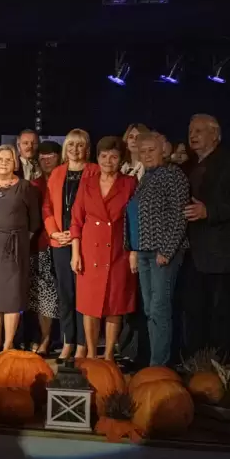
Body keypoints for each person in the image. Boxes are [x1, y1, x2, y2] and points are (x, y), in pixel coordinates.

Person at [182, 114, 230, 356]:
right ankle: (197, 359)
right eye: (190, 131)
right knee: (195, 310)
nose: (193, 135)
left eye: (199, 131)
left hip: (223, 253)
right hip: (194, 252)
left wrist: (209, 211)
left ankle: (219, 362)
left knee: (221, 312)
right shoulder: (189, 165)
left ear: (215, 135)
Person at [70, 136, 137, 360]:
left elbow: (135, 220)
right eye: (104, 156)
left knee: (114, 304)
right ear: (97, 158)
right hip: (90, 251)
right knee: (89, 304)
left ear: (121, 159)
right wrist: (75, 253)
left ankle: (108, 356)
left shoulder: (129, 183)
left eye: (114, 156)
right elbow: (76, 221)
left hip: (118, 251)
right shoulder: (87, 182)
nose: (108, 161)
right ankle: (91, 355)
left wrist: (134, 251)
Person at [126, 133, 190, 366]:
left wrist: (167, 250)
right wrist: (133, 250)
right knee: (150, 310)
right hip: (144, 250)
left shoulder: (173, 175)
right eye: (142, 151)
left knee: (159, 309)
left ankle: (159, 366)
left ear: (164, 150)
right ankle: (155, 361)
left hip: (161, 252)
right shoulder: (146, 178)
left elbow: (179, 215)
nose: (146, 155)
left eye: (151, 150)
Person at [0, 145, 41, 361]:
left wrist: (20, 240)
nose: (4, 163)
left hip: (15, 247)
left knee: (12, 296)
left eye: (9, 159)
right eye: (0, 159)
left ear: (15, 164)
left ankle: (8, 343)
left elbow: (34, 221)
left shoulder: (25, 187)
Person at [44, 128, 98, 362]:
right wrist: (54, 232)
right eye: (71, 145)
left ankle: (83, 344)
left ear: (87, 148)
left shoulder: (95, 171)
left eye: (80, 145)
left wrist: (77, 234)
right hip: (61, 240)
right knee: (65, 293)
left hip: (86, 240)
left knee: (84, 295)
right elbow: (47, 207)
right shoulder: (57, 173)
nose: (75, 149)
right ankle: (68, 341)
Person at [27, 142, 61, 356]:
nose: (47, 160)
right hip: (39, 245)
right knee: (42, 296)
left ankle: (66, 339)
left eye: (51, 156)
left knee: (65, 294)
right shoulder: (34, 185)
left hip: (65, 244)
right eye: (43, 157)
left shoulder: (67, 180)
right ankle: (45, 338)